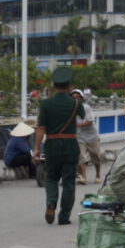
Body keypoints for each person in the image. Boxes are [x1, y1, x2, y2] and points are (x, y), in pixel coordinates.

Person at [33, 67, 85, 225]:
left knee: (51, 178)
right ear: (69, 85)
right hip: (70, 145)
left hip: (52, 145)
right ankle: (64, 217)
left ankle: (51, 202)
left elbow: (41, 128)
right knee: (69, 181)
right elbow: (83, 117)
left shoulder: (45, 104)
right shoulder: (76, 103)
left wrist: (36, 148)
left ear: (54, 85)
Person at [70, 89, 102, 185]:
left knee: (96, 156)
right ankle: (84, 177)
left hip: (92, 136)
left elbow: (89, 122)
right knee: (81, 156)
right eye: (73, 98)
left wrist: (75, 125)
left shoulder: (86, 107)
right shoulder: (70, 109)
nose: (75, 99)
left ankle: (98, 175)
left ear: (81, 98)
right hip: (79, 137)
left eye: (77, 97)